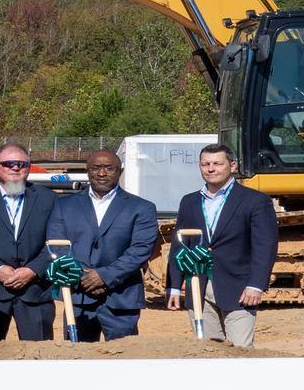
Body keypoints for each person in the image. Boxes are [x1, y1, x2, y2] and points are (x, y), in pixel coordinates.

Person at [167, 143, 278, 348]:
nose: (211, 169)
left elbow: (265, 245)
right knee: (207, 349)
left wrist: (256, 285)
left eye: (217, 163)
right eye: (205, 164)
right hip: (198, 286)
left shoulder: (255, 201)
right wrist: (174, 286)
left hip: (239, 289)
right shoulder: (189, 202)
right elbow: (179, 246)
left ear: (232, 166)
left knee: (241, 350)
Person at [47, 149, 158, 341]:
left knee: (123, 361)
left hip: (121, 299)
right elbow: (57, 246)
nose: (101, 173)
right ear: (87, 171)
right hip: (78, 297)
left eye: (109, 168)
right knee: (78, 361)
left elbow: (140, 250)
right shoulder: (64, 205)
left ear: (119, 171)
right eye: (95, 168)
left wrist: (104, 276)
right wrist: (83, 276)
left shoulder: (142, 207)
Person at [0, 143, 59, 342]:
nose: (16, 168)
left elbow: (56, 241)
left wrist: (33, 269)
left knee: (39, 358)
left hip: (35, 292)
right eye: (9, 164)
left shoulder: (48, 199)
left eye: (22, 164)